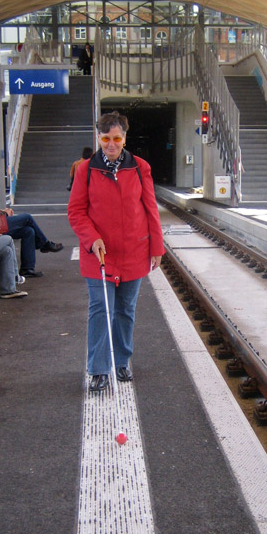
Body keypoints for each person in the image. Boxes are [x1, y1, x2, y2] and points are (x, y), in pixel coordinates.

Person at [68, 111, 165, 392]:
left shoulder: (140, 168)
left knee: (126, 309)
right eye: (106, 138)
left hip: (134, 252)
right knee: (101, 309)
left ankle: (122, 361)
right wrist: (91, 238)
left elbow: (150, 209)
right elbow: (76, 211)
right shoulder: (86, 170)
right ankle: (98, 369)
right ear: (99, 138)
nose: (111, 144)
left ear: (125, 138)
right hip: (99, 254)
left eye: (117, 138)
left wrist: (156, 247)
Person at [0, 168, 63, 278]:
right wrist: (5, 214)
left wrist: (2, 212)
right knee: (26, 217)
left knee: (29, 231)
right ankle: (44, 244)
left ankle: (27, 269)